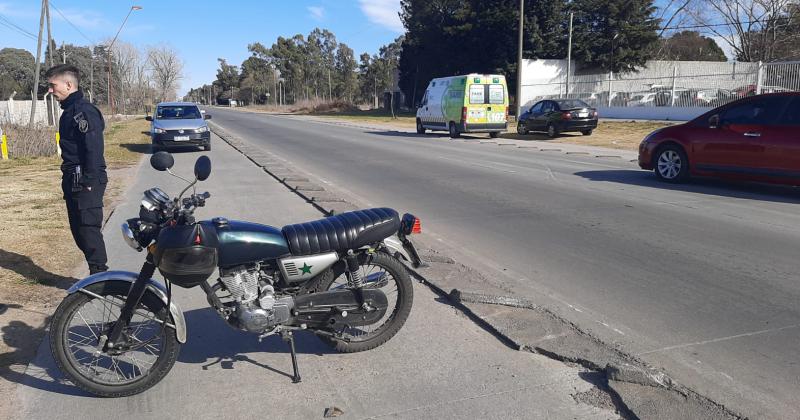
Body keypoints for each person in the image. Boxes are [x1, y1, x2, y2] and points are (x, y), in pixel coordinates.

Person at [45, 64, 108, 275]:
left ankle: (100, 277)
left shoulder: (83, 111)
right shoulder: (69, 112)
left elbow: (93, 148)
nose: (51, 91)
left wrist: (89, 181)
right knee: (78, 229)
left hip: (85, 177)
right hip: (74, 177)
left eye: (53, 86)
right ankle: (96, 272)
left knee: (88, 228)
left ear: (69, 84)